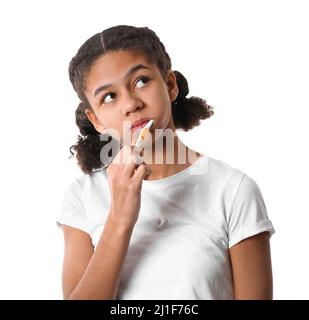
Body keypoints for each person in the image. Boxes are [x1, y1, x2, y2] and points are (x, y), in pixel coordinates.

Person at [56, 25, 275, 300]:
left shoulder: (233, 189)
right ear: (97, 120)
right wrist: (120, 219)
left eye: (140, 81)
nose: (131, 104)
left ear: (170, 85)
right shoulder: (82, 198)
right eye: (109, 96)